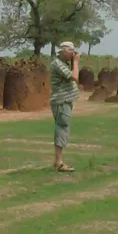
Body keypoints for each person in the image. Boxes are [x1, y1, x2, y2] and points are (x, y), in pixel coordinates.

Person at [49, 41, 80, 172]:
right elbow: (74, 77)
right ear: (63, 51)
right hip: (61, 101)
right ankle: (59, 162)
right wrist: (76, 62)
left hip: (65, 100)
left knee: (63, 128)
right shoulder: (57, 63)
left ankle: (59, 161)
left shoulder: (63, 63)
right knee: (62, 128)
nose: (73, 53)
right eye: (71, 51)